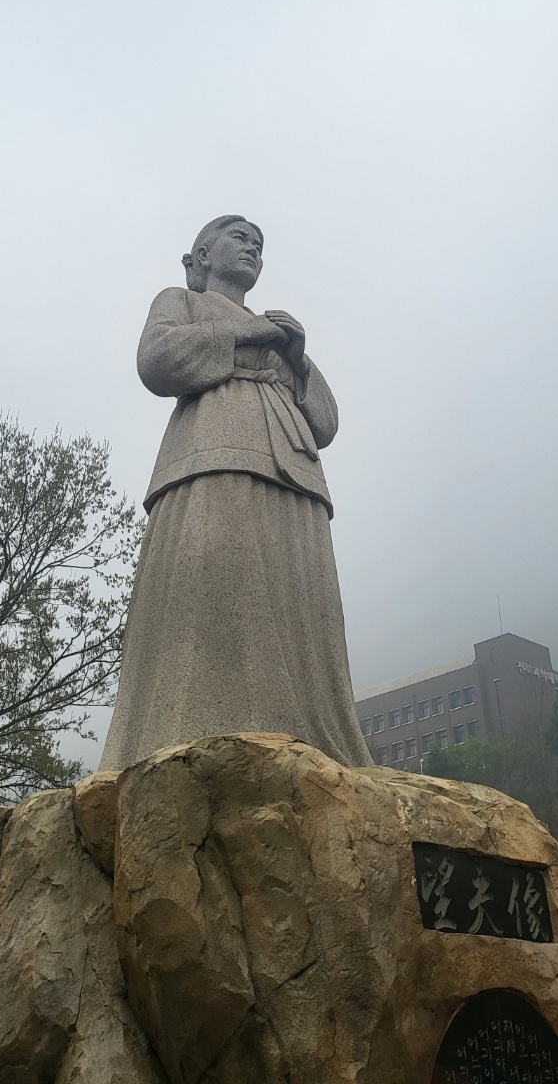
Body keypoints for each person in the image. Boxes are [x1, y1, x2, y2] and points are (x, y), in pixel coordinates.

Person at [99, 215, 372, 770]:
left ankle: (312, 741)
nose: (252, 249)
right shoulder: (181, 301)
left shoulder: (279, 333)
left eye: (259, 244)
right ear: (202, 254)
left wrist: (298, 358)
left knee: (304, 602)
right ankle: (199, 735)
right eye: (239, 238)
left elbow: (326, 423)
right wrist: (246, 336)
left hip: (296, 470)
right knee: (219, 584)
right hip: (216, 451)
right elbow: (157, 361)